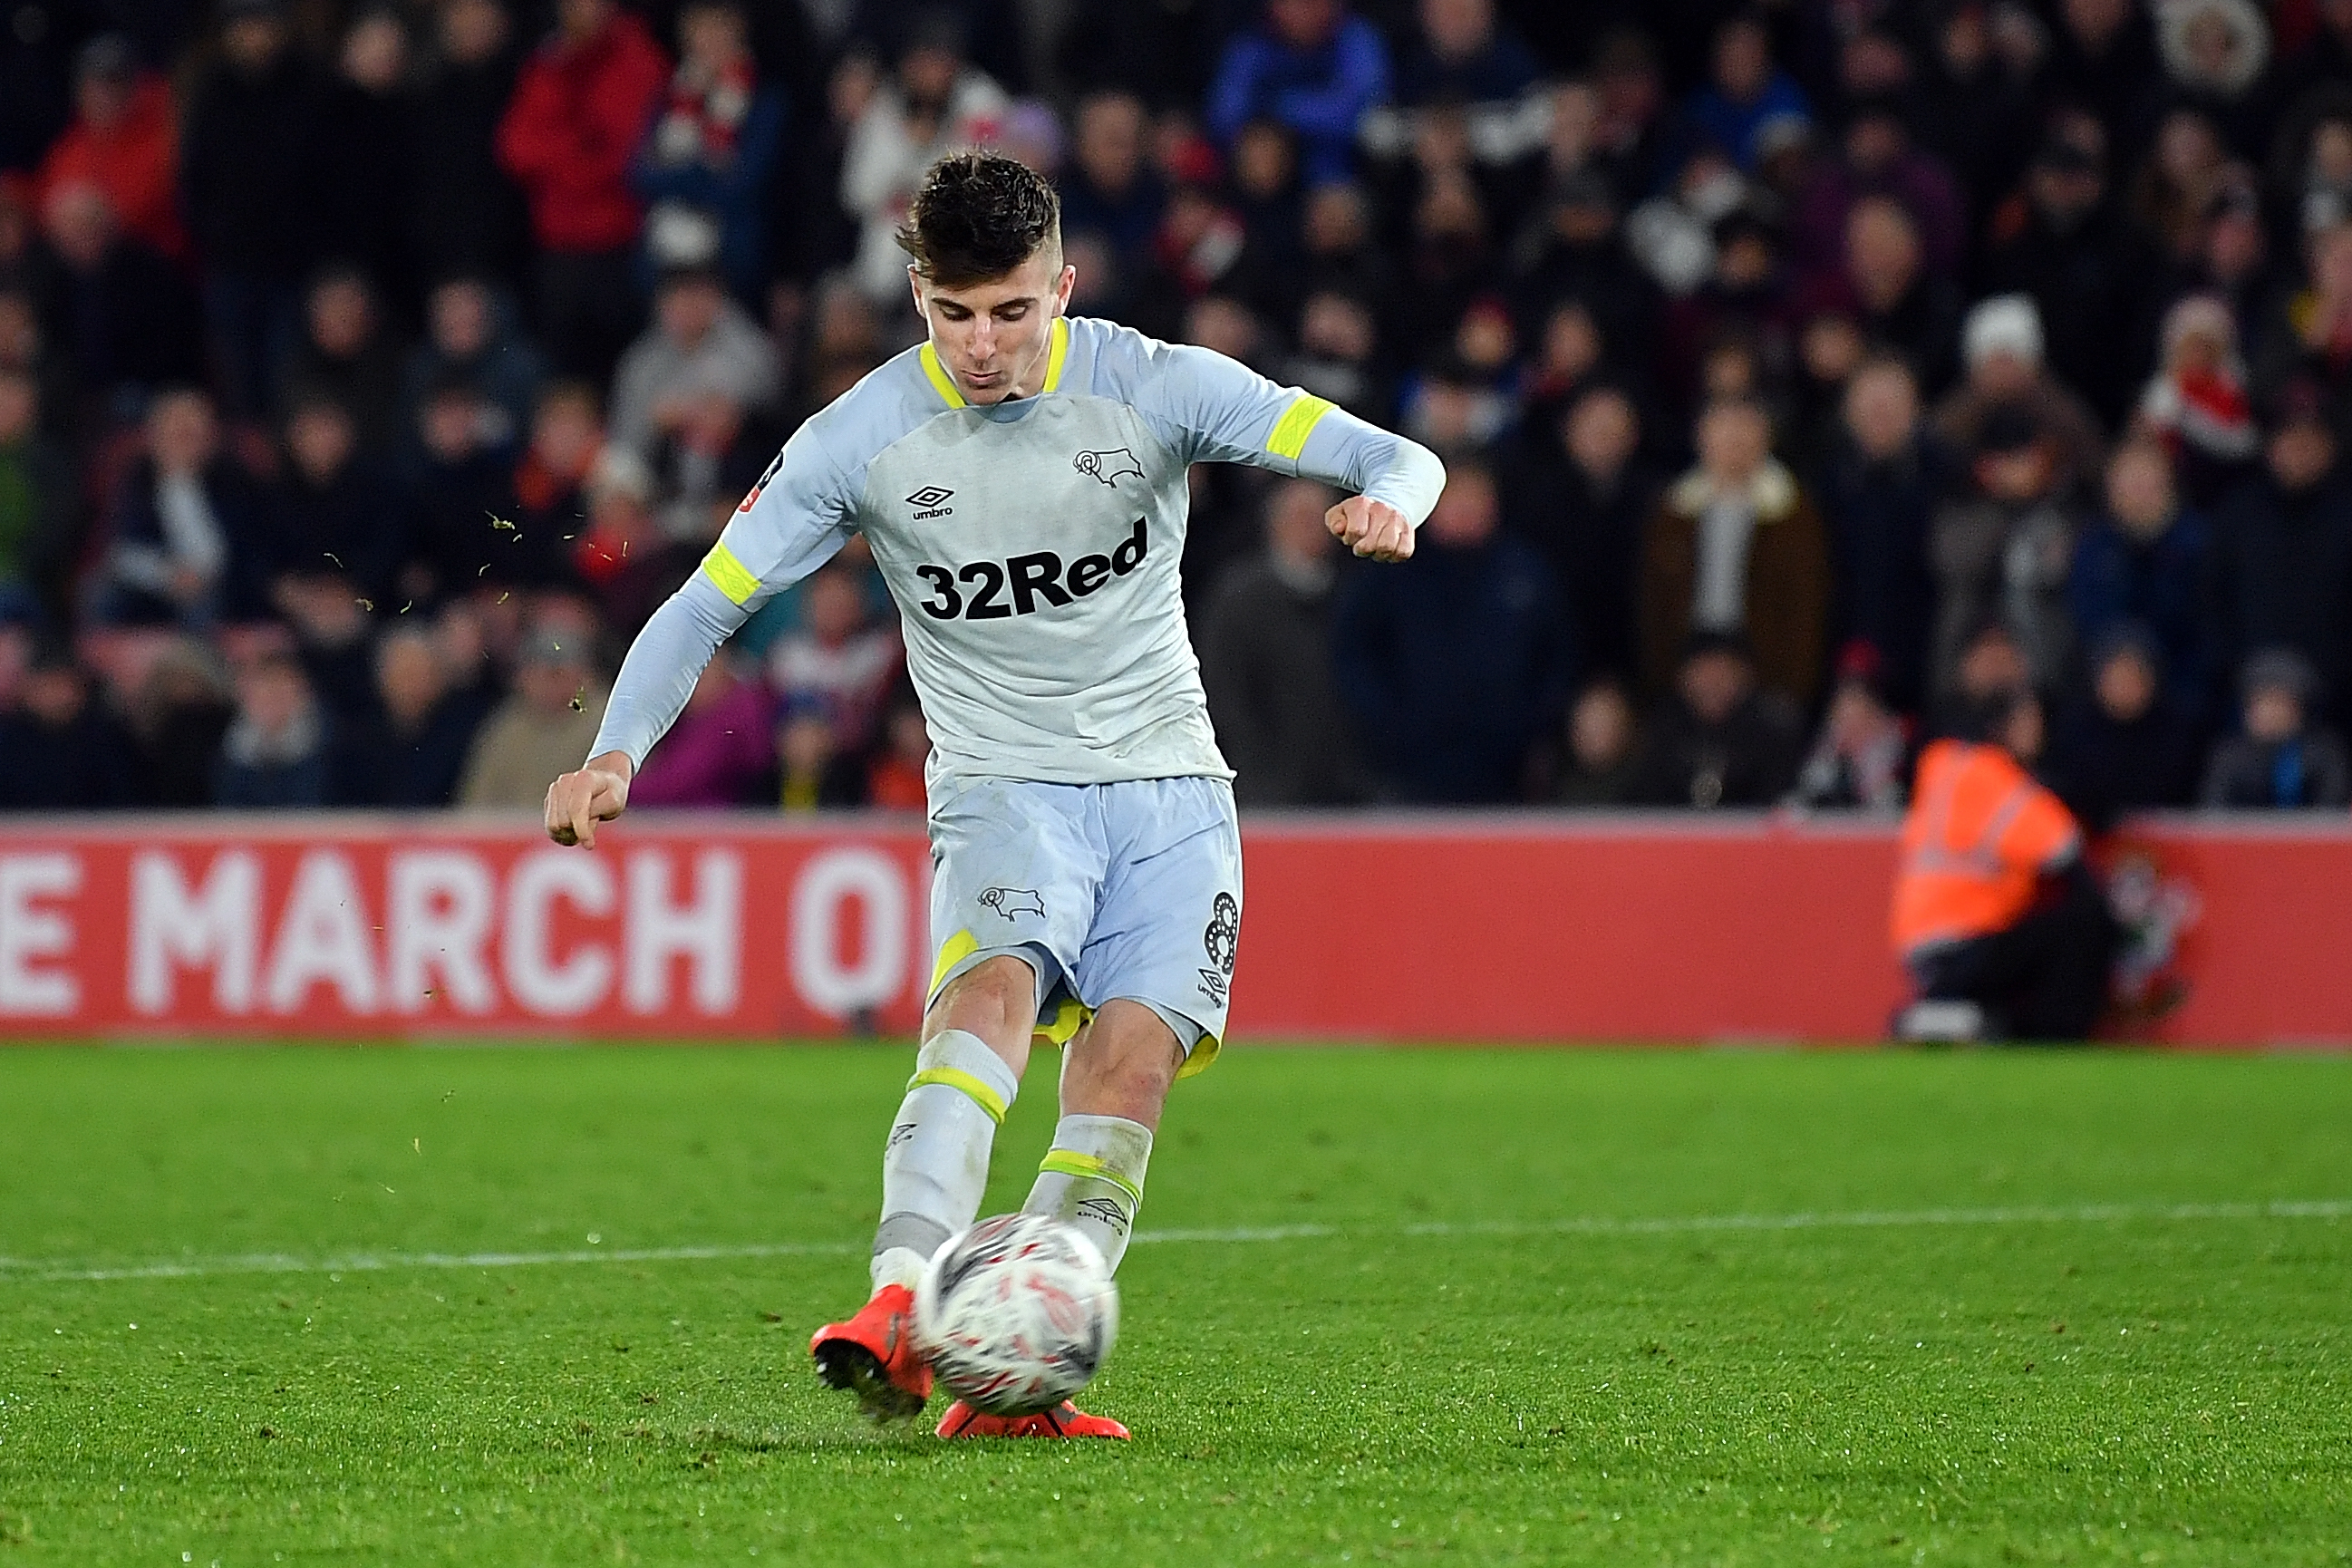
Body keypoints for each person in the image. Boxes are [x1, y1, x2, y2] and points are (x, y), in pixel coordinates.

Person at [540, 152, 1442, 1438]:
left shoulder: (1153, 383)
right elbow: (704, 604)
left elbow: (1391, 451)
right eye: (952, 312)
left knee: (1127, 1075)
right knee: (990, 998)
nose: (980, 343)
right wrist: (616, 750)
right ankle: (900, 1305)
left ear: (1061, 288)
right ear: (915, 294)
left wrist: (1390, 504)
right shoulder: (857, 438)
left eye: (1012, 311)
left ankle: (1018, 1372)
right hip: (1003, 782)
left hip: (1172, 787)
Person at [1333, 459, 1568, 802]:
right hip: (1405, 775)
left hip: (1506, 777)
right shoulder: (1388, 570)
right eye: (1453, 496)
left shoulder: (1525, 573)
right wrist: (1390, 726)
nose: (1465, 506)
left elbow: (1557, 656)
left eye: (1476, 495)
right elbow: (1354, 654)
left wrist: (1526, 727)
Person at [1892, 687, 2115, 1042]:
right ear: (2002, 727)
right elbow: (2063, 847)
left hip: (1923, 948)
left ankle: (1952, 1016)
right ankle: (2052, 1038)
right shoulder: (1996, 778)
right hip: (1968, 942)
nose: (2037, 730)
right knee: (2083, 921)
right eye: (2027, 720)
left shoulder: (1943, 764)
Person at [495, 0, 671, 380]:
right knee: (562, 373)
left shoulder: (637, 59)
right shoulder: (548, 62)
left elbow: (624, 155)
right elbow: (514, 148)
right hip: (558, 246)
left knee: (623, 369)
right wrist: (577, 149)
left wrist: (559, 160)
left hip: (617, 245)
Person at [1640, 397, 1830, 707]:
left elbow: (1807, 606)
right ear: (1702, 439)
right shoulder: (1673, 511)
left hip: (1766, 673)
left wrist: (1791, 685)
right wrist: (1663, 676)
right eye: (1724, 433)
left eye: (1745, 433)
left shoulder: (1793, 513)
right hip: (1686, 668)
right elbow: (1653, 603)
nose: (1734, 443)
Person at [1198, 477, 1364, 805]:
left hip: (1347, 788)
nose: (1312, 530)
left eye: (1323, 520)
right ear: (1274, 524)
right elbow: (1223, 693)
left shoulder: (1355, 594)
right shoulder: (1239, 600)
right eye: (1302, 518)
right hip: (1264, 789)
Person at [1630, 632, 1805, 808]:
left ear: (1747, 677)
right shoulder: (1660, 728)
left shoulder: (1772, 733)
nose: (1713, 682)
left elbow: (1781, 803)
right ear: (1681, 677)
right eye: (1702, 670)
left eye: (1723, 670)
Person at [460, 619, 609, 806]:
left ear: (585, 675)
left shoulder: (606, 722)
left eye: (558, 674)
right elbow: (476, 802)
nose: (549, 685)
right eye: (539, 674)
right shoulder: (506, 728)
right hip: (512, 832)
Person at [2202, 648, 2352, 808]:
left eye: (2274, 702)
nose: (2264, 712)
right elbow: (2212, 813)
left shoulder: (2325, 754)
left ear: (2298, 708)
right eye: (2256, 703)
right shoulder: (2229, 756)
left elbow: (2332, 814)